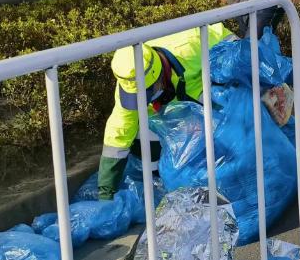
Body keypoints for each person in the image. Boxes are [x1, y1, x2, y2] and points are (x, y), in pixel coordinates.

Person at [97, 25, 234, 200]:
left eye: (148, 92)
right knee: (143, 139)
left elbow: (237, 50)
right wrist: (106, 193)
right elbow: (118, 135)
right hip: (175, 112)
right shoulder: (128, 86)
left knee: (230, 123)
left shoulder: (191, 46)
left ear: (160, 74)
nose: (145, 100)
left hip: (206, 91)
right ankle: (163, 187)